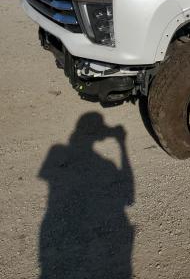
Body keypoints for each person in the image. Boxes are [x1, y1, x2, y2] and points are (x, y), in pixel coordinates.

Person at [38, 112, 134, 279]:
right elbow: (129, 197)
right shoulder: (107, 165)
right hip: (102, 242)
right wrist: (122, 145)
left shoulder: (57, 151)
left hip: (64, 233)